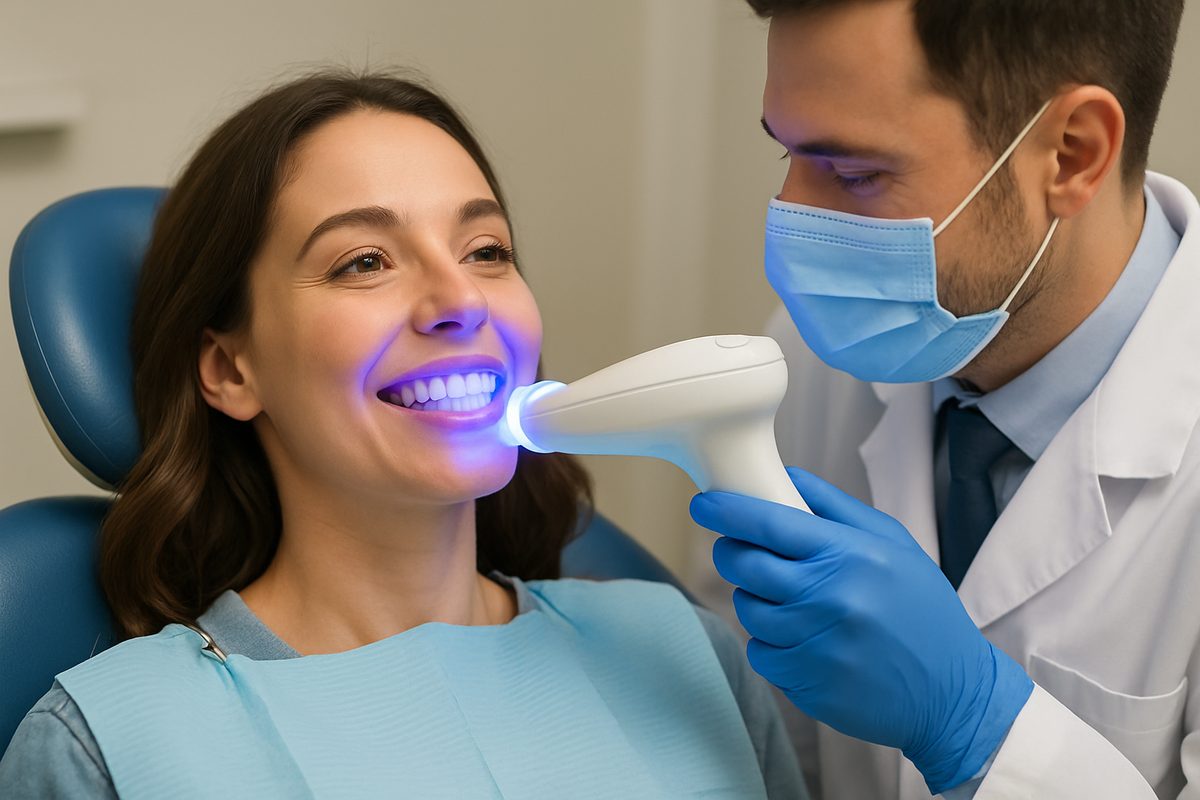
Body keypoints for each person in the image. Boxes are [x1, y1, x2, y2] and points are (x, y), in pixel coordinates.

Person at [0, 71, 806, 799]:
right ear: (231, 369)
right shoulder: (103, 748)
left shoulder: (684, 652)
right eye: (364, 262)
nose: (461, 297)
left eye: (487, 250)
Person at [689, 0, 1197, 798]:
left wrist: (978, 728)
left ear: (1073, 154)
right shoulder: (818, 355)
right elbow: (767, 749)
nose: (791, 220)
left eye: (855, 174)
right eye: (785, 155)